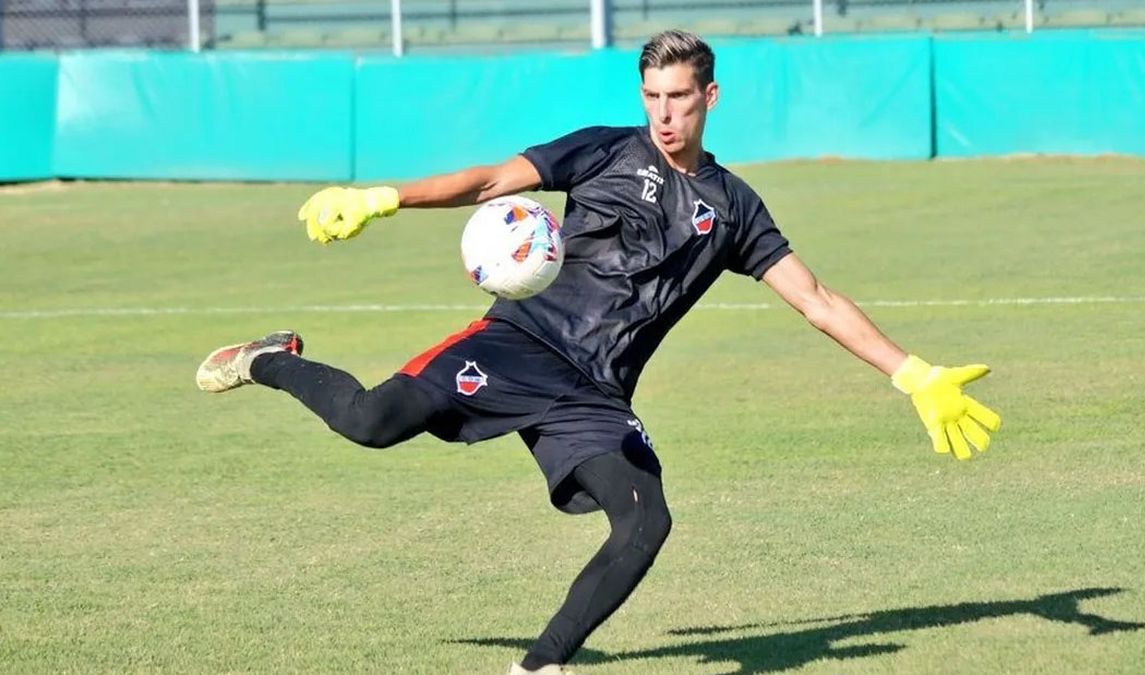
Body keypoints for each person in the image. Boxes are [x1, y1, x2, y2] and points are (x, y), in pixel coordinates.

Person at [196, 30, 1001, 675]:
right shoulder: (606, 150)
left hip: (595, 394)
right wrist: (384, 196)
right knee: (370, 421)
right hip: (516, 342)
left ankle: (540, 663)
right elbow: (491, 182)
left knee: (646, 519)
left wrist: (912, 373)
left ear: (710, 97)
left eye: (678, 97)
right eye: (652, 96)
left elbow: (814, 297)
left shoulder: (733, 208)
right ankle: (270, 356)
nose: (664, 114)